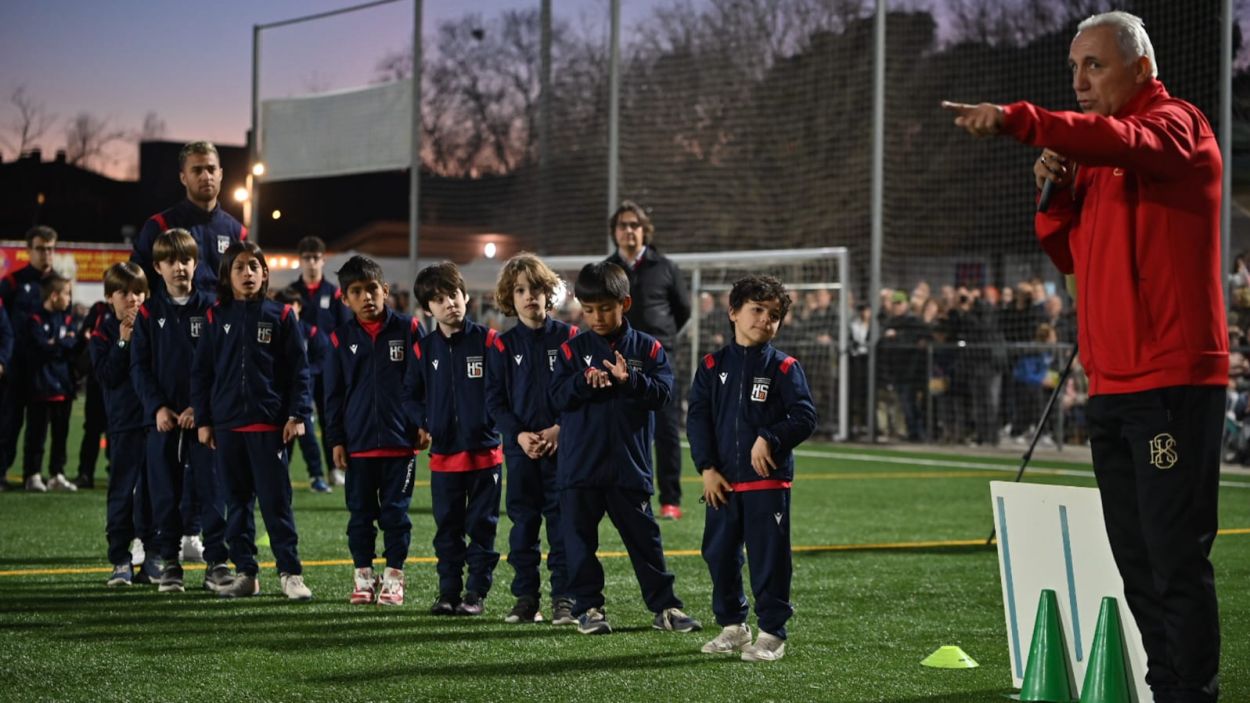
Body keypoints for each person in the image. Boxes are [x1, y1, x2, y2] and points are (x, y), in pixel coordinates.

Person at [943, 11, 1226, 701]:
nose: (1079, 81)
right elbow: (1068, 251)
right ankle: (1167, 688)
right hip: (1111, 387)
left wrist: (1020, 119)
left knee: (1174, 560)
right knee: (1135, 563)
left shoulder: (1178, 126)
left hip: (1171, 382)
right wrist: (1057, 188)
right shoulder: (1102, 160)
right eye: (1073, 69)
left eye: (1092, 65)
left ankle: (1194, 693)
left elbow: (1120, 138)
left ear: (1142, 68)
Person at [548, 261, 701, 636]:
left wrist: (629, 379)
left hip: (628, 468)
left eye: (605, 308)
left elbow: (664, 396)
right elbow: (556, 398)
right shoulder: (571, 352)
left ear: (625, 303)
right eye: (589, 310)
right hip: (580, 468)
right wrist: (584, 382)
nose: (597, 317)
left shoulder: (649, 350)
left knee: (645, 541)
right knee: (580, 545)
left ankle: (665, 607)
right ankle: (590, 609)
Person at [687, 275, 817, 662]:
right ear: (733, 312)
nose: (765, 319)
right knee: (718, 553)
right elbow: (698, 421)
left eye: (774, 314)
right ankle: (734, 626)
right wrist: (707, 467)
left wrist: (770, 437)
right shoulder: (711, 365)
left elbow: (804, 416)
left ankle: (772, 632)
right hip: (722, 482)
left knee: (769, 557)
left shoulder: (784, 367)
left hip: (767, 483)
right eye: (757, 310)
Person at [191, 241, 314, 601]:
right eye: (239, 267)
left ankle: (290, 573)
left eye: (254, 267)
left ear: (264, 274)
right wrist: (204, 420)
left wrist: (296, 414)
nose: (247, 273)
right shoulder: (215, 317)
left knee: (277, 504)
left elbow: (299, 372)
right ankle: (247, 573)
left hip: (269, 426)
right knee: (237, 504)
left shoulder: (282, 315)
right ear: (227, 276)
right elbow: (201, 374)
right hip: (227, 427)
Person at [131, 228, 231, 594]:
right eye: (171, 261)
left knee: (211, 490)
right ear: (157, 267)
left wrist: (199, 408)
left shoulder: (211, 309)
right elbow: (139, 367)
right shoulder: (147, 312)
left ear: (196, 263)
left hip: (203, 421)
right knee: (164, 492)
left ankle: (217, 563)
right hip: (162, 422)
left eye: (186, 260)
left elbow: (219, 365)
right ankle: (170, 562)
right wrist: (157, 407)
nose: (180, 268)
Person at [323, 255, 426, 606]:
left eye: (372, 289)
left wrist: (422, 424)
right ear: (345, 298)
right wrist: (335, 439)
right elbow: (333, 395)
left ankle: (394, 577)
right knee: (360, 516)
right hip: (358, 445)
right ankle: (363, 576)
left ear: (385, 290)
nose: (366, 297)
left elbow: (422, 383)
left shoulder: (409, 329)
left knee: (396, 514)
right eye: (357, 291)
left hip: (400, 444)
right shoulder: (339, 339)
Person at [484, 253, 577, 625]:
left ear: (549, 292)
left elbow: (580, 395)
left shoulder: (570, 338)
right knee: (523, 527)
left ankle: (564, 600)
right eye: (521, 290)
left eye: (537, 288)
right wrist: (519, 434)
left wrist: (559, 429)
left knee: (562, 526)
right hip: (521, 452)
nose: (530, 296)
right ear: (510, 296)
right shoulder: (503, 346)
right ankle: (525, 598)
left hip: (562, 451)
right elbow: (495, 401)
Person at [408, 262, 503, 616]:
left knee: (482, 528)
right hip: (445, 456)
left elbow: (501, 392)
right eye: (438, 299)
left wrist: (490, 422)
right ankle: (448, 592)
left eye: (453, 295)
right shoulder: (423, 350)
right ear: (427, 309)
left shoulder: (490, 341)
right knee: (447, 529)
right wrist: (424, 422)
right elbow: (410, 395)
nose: (449, 303)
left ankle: (475, 594)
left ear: (465, 296)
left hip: (485, 455)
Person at [604, 201, 691, 520]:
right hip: (618, 358)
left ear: (644, 230)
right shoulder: (607, 270)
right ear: (614, 232)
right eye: (623, 225)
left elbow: (683, 310)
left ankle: (671, 500)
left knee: (666, 430)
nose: (629, 230)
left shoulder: (665, 267)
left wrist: (660, 340)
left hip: (658, 359)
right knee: (619, 428)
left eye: (634, 225)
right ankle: (622, 496)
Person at [90, 263, 156, 586]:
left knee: (154, 492)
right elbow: (106, 375)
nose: (132, 299)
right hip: (123, 424)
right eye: (124, 293)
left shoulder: (155, 326)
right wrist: (122, 342)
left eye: (138, 292)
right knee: (122, 493)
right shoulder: (103, 330)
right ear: (109, 297)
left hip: (155, 422)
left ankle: (152, 559)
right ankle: (120, 559)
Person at [131, 141, 245, 294]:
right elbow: (136, 283)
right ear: (183, 178)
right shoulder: (160, 225)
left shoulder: (237, 232)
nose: (206, 176)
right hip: (173, 316)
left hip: (222, 318)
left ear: (220, 174)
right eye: (197, 170)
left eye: (211, 169)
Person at [0, 226, 59, 489]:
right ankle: (1, 473)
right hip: (14, 368)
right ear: (28, 250)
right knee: (8, 423)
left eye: (50, 248)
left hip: (44, 370)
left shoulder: (59, 284)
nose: (46, 254)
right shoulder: (12, 282)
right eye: (40, 248)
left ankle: (32, 475)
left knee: (39, 425)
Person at [290, 235, 351, 488]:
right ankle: (291, 471)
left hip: (327, 369)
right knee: (294, 419)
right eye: (307, 258)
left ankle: (335, 469)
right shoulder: (291, 293)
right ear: (300, 261)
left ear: (323, 260)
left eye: (316, 258)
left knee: (330, 420)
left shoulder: (335, 294)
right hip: (298, 369)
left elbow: (345, 331)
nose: (312, 263)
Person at [272, 286, 332, 493]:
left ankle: (317, 477)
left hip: (302, 399)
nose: (288, 309)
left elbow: (324, 357)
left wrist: (308, 371)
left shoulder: (310, 332)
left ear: (299, 307)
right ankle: (278, 477)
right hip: (279, 399)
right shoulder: (273, 330)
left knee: (309, 441)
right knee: (281, 441)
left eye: (292, 305)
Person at [23, 273, 78, 492]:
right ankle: (32, 474)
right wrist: (60, 345)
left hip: (64, 386)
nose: (69, 299)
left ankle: (57, 474)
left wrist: (57, 344)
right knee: (36, 434)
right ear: (54, 296)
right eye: (66, 294)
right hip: (40, 387)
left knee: (61, 435)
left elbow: (72, 344)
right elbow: (40, 349)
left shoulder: (66, 318)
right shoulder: (34, 319)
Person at [73, 300, 111, 489]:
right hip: (97, 382)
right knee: (92, 429)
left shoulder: (136, 313)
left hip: (121, 386)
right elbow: (84, 336)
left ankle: (117, 472)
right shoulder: (99, 310)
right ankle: (85, 473)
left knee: (117, 431)